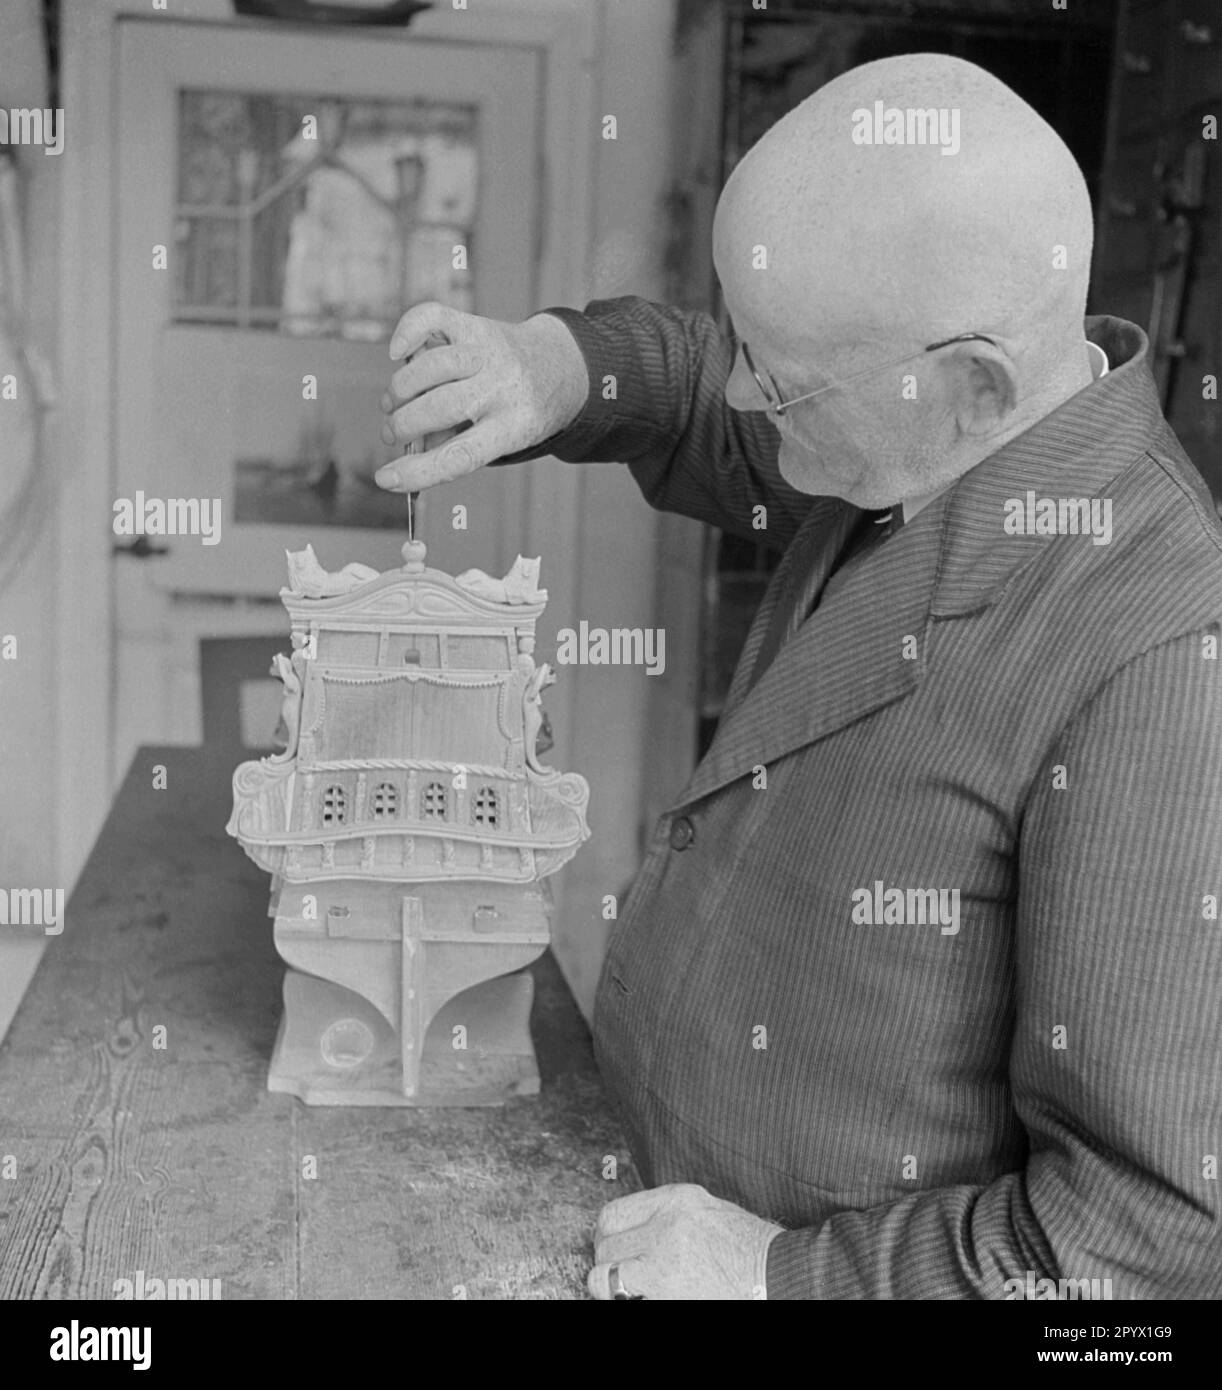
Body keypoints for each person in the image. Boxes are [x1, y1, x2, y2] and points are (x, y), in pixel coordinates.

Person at [376, 54, 1222, 1300]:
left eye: (779, 376)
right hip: (637, 1213)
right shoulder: (925, 436)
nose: (740, 393)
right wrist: (560, 364)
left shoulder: (1160, 652)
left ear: (967, 381)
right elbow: (698, 392)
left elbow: (1138, 1242)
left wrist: (783, 1276)